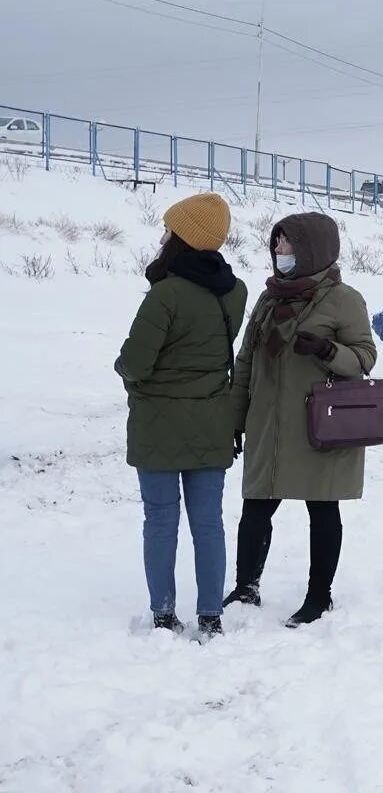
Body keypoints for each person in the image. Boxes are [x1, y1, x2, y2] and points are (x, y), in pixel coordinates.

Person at [223, 212, 376, 627]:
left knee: (322, 509)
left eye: (287, 243)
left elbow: (364, 357)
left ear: (311, 249)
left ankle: (318, 597)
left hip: (317, 425)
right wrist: (236, 419)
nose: (278, 250)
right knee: (256, 507)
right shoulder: (269, 298)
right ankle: (245, 586)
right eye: (276, 242)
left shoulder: (344, 299)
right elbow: (246, 359)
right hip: (267, 424)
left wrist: (328, 351)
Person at [115, 193, 247, 638]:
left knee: (160, 520)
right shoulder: (235, 291)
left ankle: (164, 612)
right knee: (209, 523)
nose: (163, 234)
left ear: (182, 237)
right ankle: (211, 613)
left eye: (169, 228)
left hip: (158, 426)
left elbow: (135, 362)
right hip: (212, 422)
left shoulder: (166, 294)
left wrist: (134, 383)